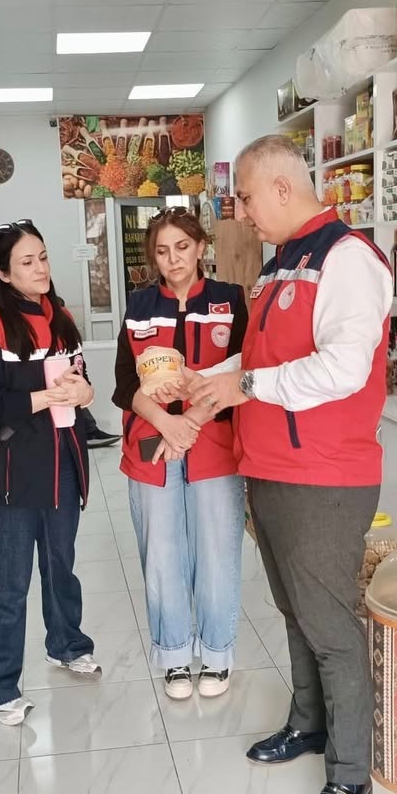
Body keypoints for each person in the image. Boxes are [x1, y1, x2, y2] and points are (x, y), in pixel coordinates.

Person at [181, 135, 392, 794]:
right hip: (270, 467)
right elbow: (260, 360)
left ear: (281, 187)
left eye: (245, 197)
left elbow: (343, 367)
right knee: (294, 611)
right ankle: (308, 723)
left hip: (323, 475)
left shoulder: (346, 258)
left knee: (329, 624)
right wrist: (206, 378)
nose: (241, 213)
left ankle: (351, 772)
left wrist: (243, 385)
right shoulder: (278, 266)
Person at [0, 219, 101, 726]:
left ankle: (67, 643)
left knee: (61, 564)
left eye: (42, 257)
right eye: (26, 261)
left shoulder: (61, 316)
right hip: (12, 471)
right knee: (8, 579)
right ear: (3, 272)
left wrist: (84, 393)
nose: (40, 268)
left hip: (64, 461)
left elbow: (82, 379)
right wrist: (45, 397)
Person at [112, 207, 247, 700]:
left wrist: (190, 423)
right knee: (162, 553)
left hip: (213, 442)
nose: (174, 259)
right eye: (163, 251)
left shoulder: (230, 301)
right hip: (152, 442)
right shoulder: (140, 305)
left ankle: (215, 653)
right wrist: (167, 423)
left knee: (217, 551)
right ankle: (173, 655)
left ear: (201, 247)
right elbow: (124, 382)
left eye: (183, 248)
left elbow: (242, 373)